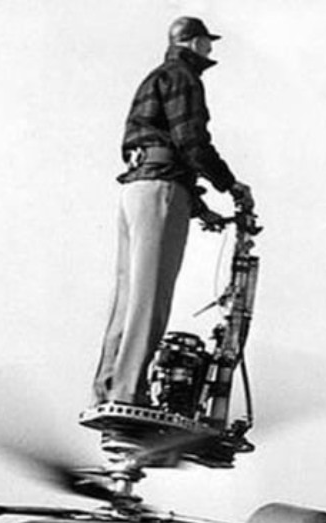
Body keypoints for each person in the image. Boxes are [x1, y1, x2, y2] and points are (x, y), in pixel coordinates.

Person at [92, 15, 255, 407]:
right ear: (195, 43)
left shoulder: (156, 76)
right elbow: (190, 142)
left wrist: (199, 209)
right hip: (162, 189)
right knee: (151, 298)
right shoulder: (184, 77)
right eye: (207, 43)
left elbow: (167, 151)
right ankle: (130, 392)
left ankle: (108, 389)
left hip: (138, 188)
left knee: (128, 297)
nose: (211, 50)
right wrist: (230, 185)